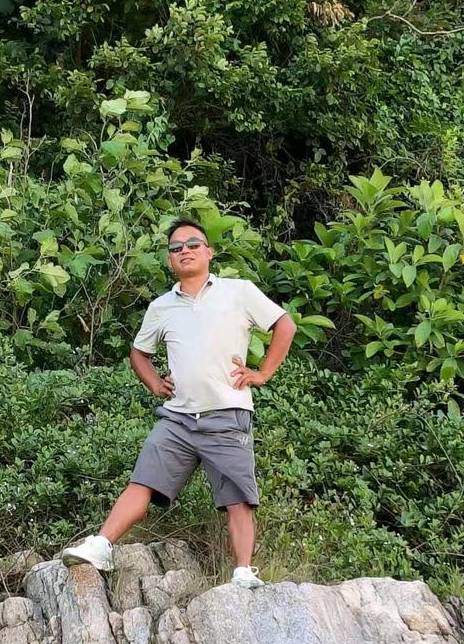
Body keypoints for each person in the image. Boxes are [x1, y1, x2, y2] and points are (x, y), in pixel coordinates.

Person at [60, 218, 297, 587]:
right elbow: (139, 353)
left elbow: (285, 325)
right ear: (170, 260)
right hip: (178, 418)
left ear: (209, 252)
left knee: (239, 498)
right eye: (176, 248)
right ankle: (101, 545)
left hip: (227, 414)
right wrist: (155, 383)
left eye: (192, 244)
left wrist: (262, 373)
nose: (184, 250)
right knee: (142, 481)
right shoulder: (161, 307)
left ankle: (242, 571)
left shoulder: (239, 291)